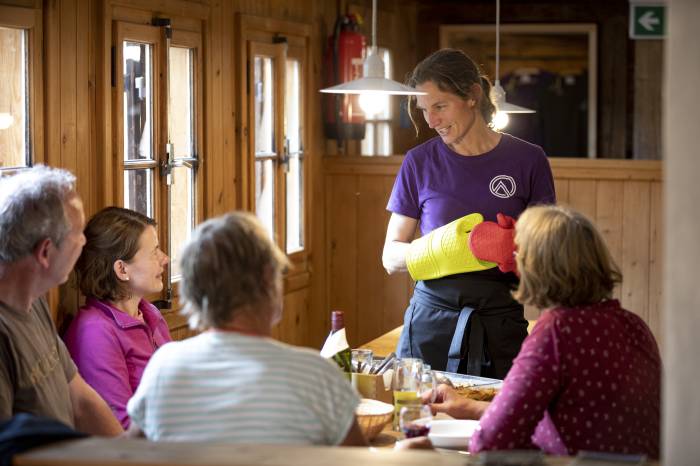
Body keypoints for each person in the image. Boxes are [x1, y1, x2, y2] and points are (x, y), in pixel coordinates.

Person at [424, 205, 661, 458]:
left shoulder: (557, 331)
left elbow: (491, 443)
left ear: (536, 267)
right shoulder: (634, 325)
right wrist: (470, 407)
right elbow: (575, 415)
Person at [382, 48, 556, 378]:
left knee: (500, 428)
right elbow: (390, 257)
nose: (431, 121)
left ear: (473, 96)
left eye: (440, 106)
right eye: (424, 110)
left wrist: (518, 249)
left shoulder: (529, 160)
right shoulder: (418, 162)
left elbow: (549, 258)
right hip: (429, 322)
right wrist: (456, 249)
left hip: (500, 323)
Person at [127, 212, 366, 446]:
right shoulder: (316, 376)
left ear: (193, 290)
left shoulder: (164, 367)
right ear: (267, 279)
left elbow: (126, 452)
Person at [0, 166, 122, 436]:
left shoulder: (33, 300)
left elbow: (79, 399)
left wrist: (129, 454)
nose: (83, 242)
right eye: (78, 234)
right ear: (45, 251)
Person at [63, 207, 172, 429]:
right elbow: (118, 424)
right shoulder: (94, 332)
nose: (165, 259)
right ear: (122, 269)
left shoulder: (150, 313)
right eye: (154, 252)